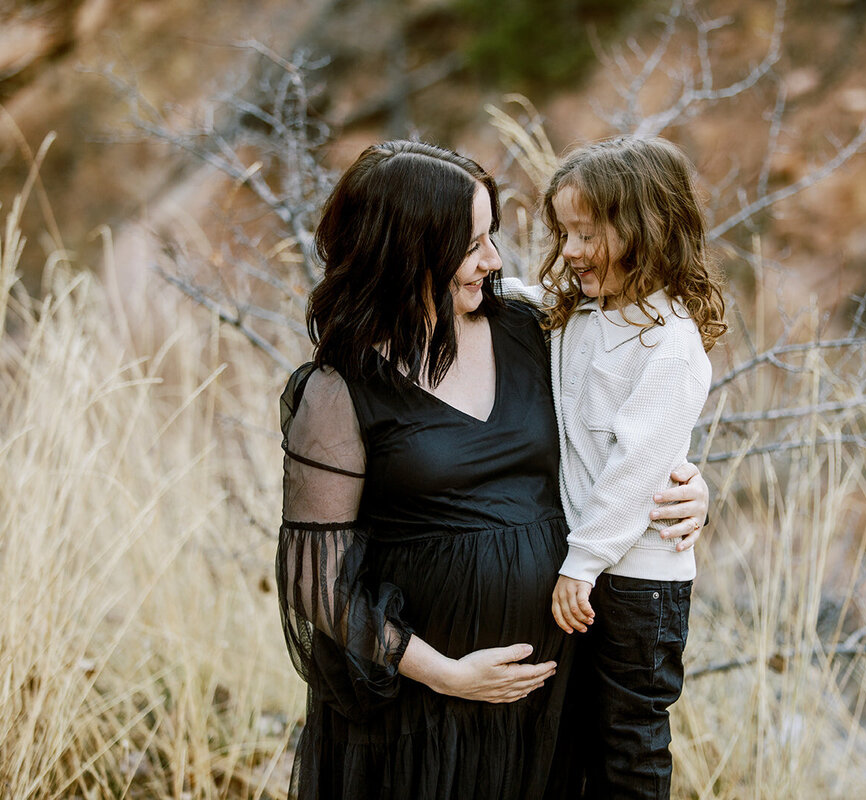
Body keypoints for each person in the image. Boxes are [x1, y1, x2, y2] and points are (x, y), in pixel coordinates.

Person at [275, 140, 710, 800]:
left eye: (492, 236)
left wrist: (685, 487)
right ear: (409, 249)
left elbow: (625, 418)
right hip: (418, 719)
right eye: (472, 243)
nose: (495, 260)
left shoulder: (529, 325)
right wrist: (447, 674)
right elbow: (319, 585)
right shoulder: (340, 391)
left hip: (550, 703)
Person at [541, 136, 726, 799]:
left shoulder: (670, 345)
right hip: (594, 577)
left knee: (629, 745)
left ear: (644, 232)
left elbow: (635, 468)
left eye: (586, 234)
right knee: (580, 740)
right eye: (563, 233)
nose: (569, 251)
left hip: (640, 584)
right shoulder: (580, 317)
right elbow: (526, 300)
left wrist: (581, 561)